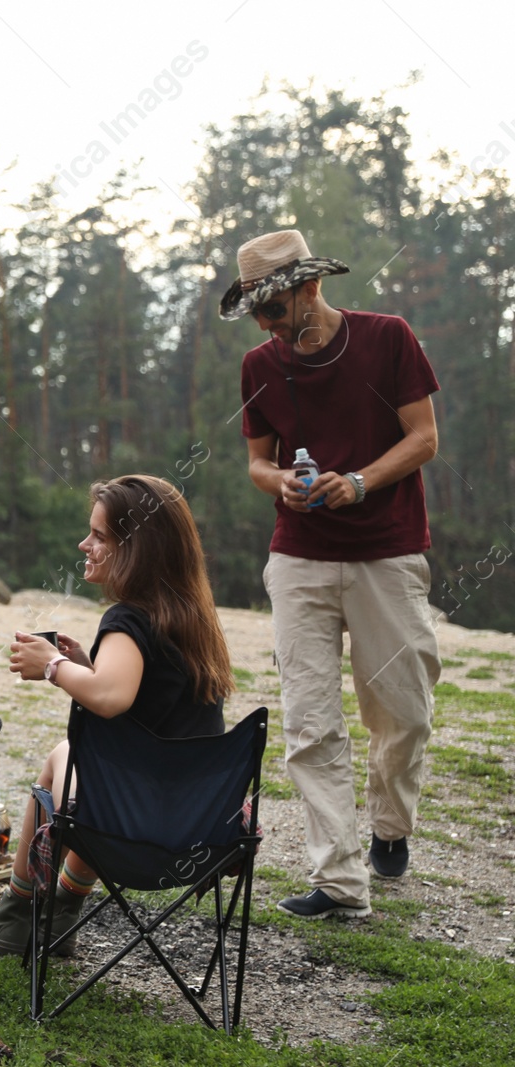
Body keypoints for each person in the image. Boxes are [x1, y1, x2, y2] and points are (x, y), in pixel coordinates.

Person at [223, 229, 441, 920]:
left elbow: (424, 437)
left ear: (310, 286)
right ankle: (340, 881)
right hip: (299, 557)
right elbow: (258, 460)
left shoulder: (388, 338)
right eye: (256, 313)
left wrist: (359, 480)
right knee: (311, 721)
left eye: (273, 308)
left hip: (387, 550)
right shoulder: (261, 365)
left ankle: (388, 825)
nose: (265, 325)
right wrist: (279, 481)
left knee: (403, 712)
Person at [0, 475, 235, 957]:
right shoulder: (192, 619)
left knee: (65, 758)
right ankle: (60, 913)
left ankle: (19, 909)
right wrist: (88, 668)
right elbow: (148, 707)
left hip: (130, 828)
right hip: (198, 827)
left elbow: (111, 700)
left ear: (137, 549)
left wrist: (52, 666)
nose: (84, 544)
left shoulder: (128, 620)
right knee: (100, 766)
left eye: (99, 536)